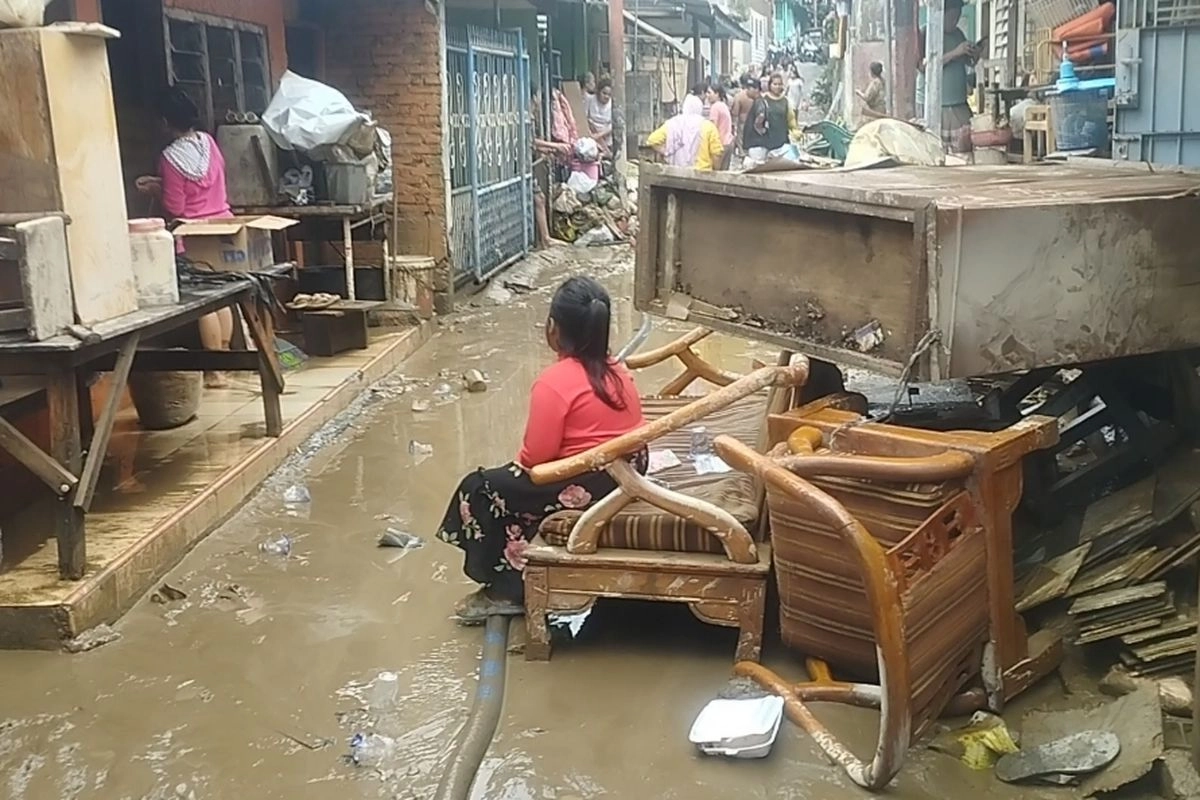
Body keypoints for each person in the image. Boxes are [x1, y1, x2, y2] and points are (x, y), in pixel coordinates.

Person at [436, 277, 646, 622]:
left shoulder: (555, 380)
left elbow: (535, 460)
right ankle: (517, 564)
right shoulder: (618, 370)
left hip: (590, 484)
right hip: (629, 472)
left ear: (553, 328)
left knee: (480, 487)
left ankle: (507, 588)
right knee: (509, 481)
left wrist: (512, 473)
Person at [136, 87, 235, 389]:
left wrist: (157, 189)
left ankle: (215, 372)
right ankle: (227, 361)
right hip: (223, 226)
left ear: (165, 121)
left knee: (204, 303)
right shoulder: (209, 143)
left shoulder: (169, 159)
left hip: (191, 233)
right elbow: (213, 181)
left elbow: (176, 207)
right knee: (225, 296)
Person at [918, 0, 979, 155]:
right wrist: (955, 53)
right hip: (939, 106)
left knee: (965, 149)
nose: (955, 21)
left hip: (959, 103)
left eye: (957, 17)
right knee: (938, 151)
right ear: (941, 15)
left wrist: (973, 55)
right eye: (952, 18)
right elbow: (925, 67)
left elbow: (966, 62)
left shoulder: (958, 34)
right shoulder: (927, 33)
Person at [645, 95, 724, 170]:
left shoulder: (672, 123)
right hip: (702, 174)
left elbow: (652, 140)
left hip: (676, 172)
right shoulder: (708, 126)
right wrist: (715, 170)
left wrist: (667, 152)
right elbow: (717, 154)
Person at [744, 72, 800, 166]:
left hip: (780, 142)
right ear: (770, 85)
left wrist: (795, 131)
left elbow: (791, 119)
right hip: (762, 143)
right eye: (775, 84)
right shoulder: (762, 100)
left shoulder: (785, 101)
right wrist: (762, 130)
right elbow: (757, 121)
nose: (777, 87)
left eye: (779, 84)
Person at [730, 74, 762, 156]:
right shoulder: (760, 98)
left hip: (743, 122)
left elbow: (735, 112)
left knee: (741, 141)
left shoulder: (739, 96)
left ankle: (742, 154)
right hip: (755, 124)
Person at [705, 83, 734, 168]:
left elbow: (713, 128)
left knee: (716, 174)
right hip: (728, 142)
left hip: (720, 144)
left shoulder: (715, 107)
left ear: (717, 94)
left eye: (709, 93)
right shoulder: (723, 105)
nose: (707, 95)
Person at [585, 77, 615, 153]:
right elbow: (584, 116)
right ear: (598, 92)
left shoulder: (613, 104)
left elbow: (613, 125)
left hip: (606, 137)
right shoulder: (590, 100)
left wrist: (599, 135)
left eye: (609, 94)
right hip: (591, 134)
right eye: (604, 93)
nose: (606, 97)